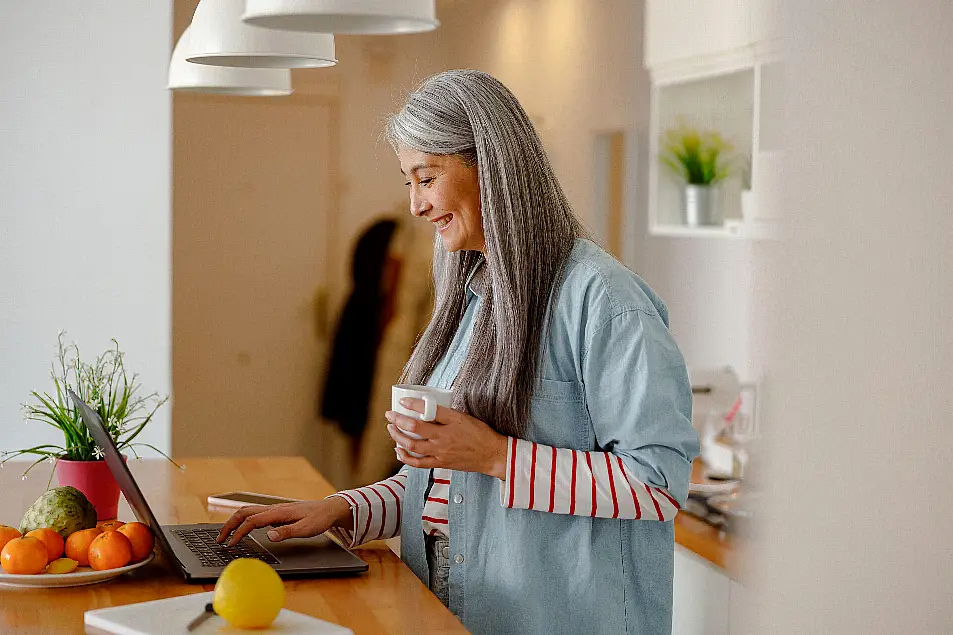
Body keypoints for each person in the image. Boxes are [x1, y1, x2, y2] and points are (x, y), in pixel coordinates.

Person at [218, 69, 700, 635]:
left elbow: (658, 483)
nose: (417, 206)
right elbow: (456, 490)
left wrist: (495, 455)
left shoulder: (606, 301)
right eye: (409, 183)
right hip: (452, 596)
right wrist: (345, 510)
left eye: (427, 178)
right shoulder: (475, 295)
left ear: (490, 168)